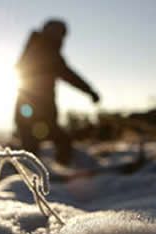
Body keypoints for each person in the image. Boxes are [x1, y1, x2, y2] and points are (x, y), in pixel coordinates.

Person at [14, 19, 100, 165]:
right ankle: (51, 174)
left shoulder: (36, 47)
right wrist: (90, 91)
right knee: (53, 142)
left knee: (36, 145)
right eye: (60, 34)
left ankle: (48, 173)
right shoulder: (46, 52)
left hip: (30, 109)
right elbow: (70, 75)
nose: (62, 39)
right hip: (35, 111)